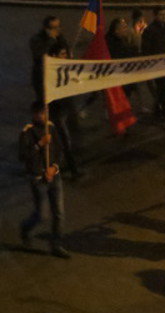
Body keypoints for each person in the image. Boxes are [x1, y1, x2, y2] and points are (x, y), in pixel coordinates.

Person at [19, 101, 70, 259]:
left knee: (59, 213)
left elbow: (59, 150)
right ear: (34, 114)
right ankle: (26, 227)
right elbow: (23, 156)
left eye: (46, 112)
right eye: (41, 113)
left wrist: (54, 167)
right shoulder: (27, 131)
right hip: (38, 179)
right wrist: (39, 144)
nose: (44, 116)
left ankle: (56, 245)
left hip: (54, 176)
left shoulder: (51, 127)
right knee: (42, 214)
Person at [47, 43, 82, 181]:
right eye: (62, 54)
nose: (65, 56)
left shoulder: (65, 67)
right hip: (57, 112)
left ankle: (68, 166)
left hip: (66, 109)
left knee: (65, 140)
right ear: (54, 56)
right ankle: (72, 169)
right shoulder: (49, 71)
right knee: (63, 141)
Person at [142, 7, 165, 121]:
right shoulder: (149, 30)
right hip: (156, 65)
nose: (164, 17)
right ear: (155, 16)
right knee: (163, 88)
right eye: (161, 15)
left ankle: (157, 110)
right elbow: (146, 49)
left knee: (163, 88)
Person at [30, 16, 69, 100]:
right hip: (42, 76)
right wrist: (51, 40)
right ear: (46, 29)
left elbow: (66, 51)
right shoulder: (37, 39)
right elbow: (39, 54)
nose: (57, 30)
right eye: (54, 28)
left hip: (58, 76)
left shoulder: (61, 38)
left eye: (59, 26)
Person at [106, 18, 139, 98]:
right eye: (123, 27)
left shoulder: (124, 40)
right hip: (116, 79)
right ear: (116, 30)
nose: (126, 29)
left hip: (125, 78)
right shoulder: (110, 43)